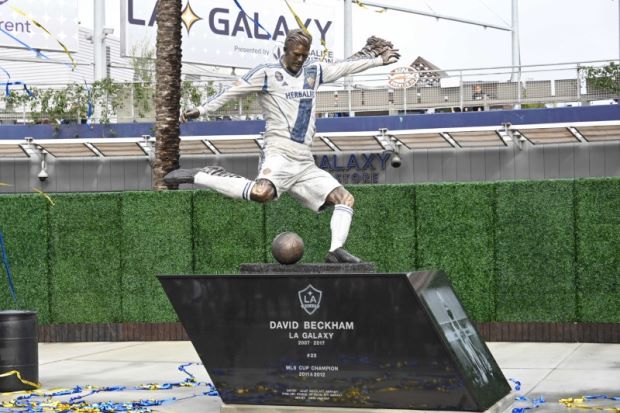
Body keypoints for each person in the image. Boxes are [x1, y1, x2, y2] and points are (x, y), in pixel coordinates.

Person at [165, 29, 400, 263]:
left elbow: (344, 68)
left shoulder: (314, 72)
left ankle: (335, 250)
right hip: (278, 152)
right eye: (296, 54)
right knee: (261, 193)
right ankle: (204, 175)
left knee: (345, 199)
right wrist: (202, 110)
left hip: (304, 162)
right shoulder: (267, 73)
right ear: (285, 50)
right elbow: (232, 91)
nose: (300, 59)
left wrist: (378, 61)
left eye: (304, 55)